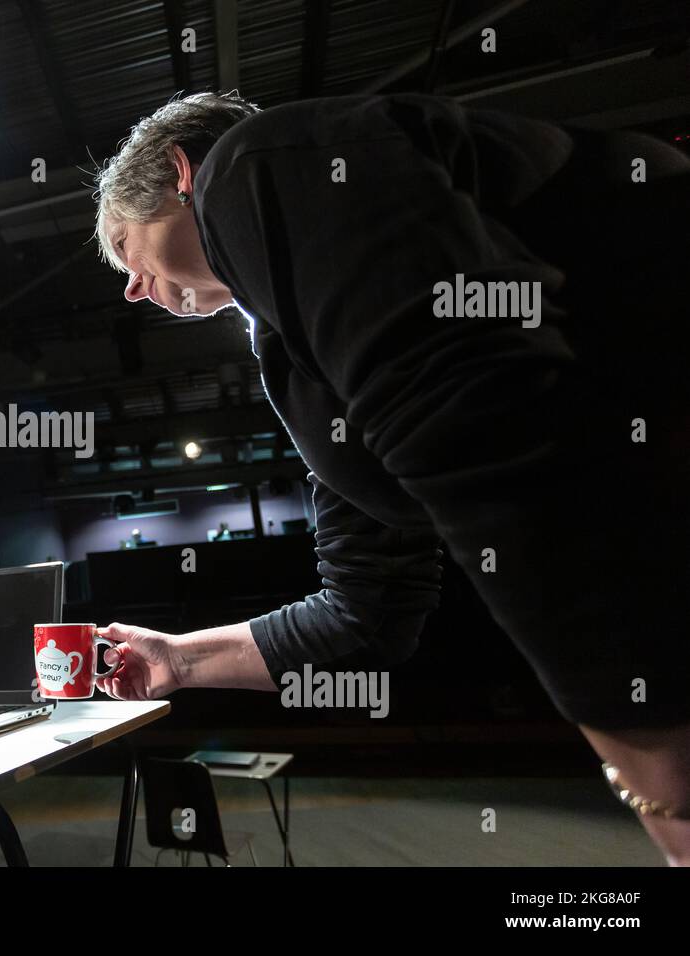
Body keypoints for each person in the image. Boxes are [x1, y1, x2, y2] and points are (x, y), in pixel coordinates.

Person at [91, 92, 690, 863]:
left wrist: (662, 780)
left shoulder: (249, 167)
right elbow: (367, 612)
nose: (133, 290)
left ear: (179, 173)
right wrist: (178, 660)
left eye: (122, 249)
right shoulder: (303, 361)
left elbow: (487, 428)